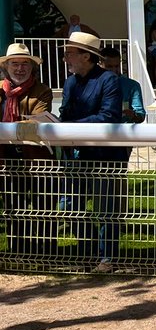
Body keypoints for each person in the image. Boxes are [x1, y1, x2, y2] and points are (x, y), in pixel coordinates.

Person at [58, 32, 125, 272]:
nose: (65, 58)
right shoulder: (70, 81)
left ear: (86, 56)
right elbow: (65, 111)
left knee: (106, 209)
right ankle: (87, 252)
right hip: (74, 155)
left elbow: (108, 116)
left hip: (103, 156)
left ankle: (108, 257)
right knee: (70, 206)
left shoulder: (109, 79)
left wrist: (68, 128)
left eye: (69, 53)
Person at [0, 42, 55, 258]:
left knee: (44, 205)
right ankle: (19, 253)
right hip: (6, 157)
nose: (20, 68)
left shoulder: (42, 91)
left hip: (37, 156)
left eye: (25, 64)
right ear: (6, 67)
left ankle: (47, 253)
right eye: (15, 64)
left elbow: (37, 119)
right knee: (14, 204)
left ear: (32, 68)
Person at [99, 47, 147, 124]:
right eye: (109, 67)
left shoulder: (132, 86)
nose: (114, 70)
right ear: (100, 64)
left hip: (123, 132)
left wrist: (133, 115)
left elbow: (141, 115)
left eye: (117, 66)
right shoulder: (92, 85)